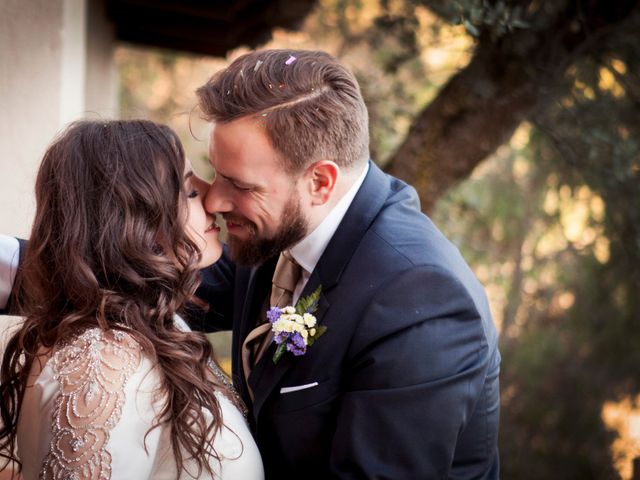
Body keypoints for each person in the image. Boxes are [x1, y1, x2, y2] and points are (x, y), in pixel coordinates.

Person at [190, 49, 501, 478]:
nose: (214, 200)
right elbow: (182, 289)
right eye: (215, 173)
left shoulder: (423, 301)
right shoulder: (278, 224)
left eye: (239, 185)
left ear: (320, 182)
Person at [0, 120, 264, 479]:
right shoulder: (102, 359)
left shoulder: (160, 323)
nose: (212, 199)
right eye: (188, 191)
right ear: (128, 221)